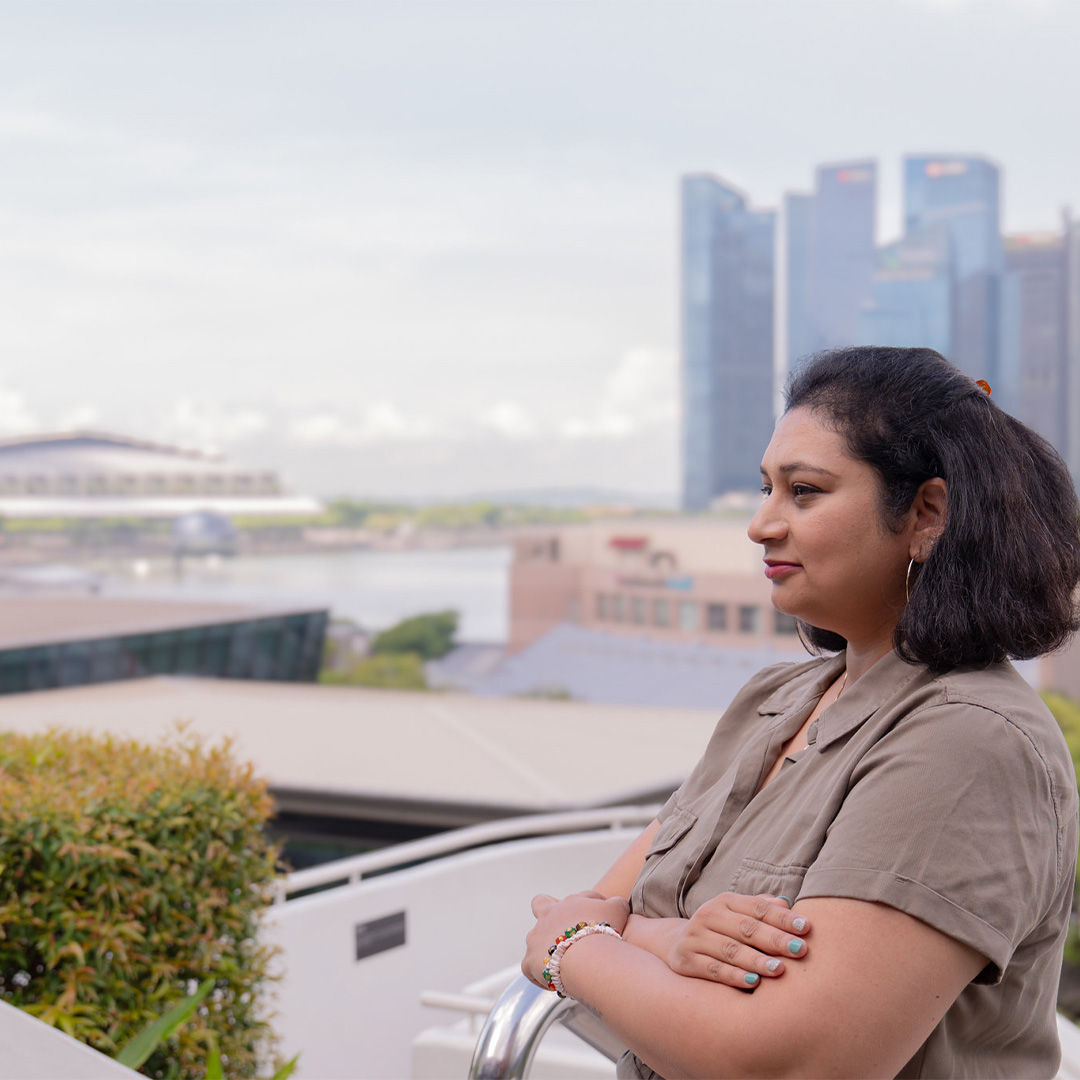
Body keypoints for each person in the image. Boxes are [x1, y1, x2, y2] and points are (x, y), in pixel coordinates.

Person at [521, 346, 1080, 1079]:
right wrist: (673, 943)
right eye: (765, 490)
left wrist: (584, 948)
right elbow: (585, 904)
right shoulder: (775, 701)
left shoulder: (965, 739)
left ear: (927, 513)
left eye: (804, 492)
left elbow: (792, 1062)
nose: (761, 525)